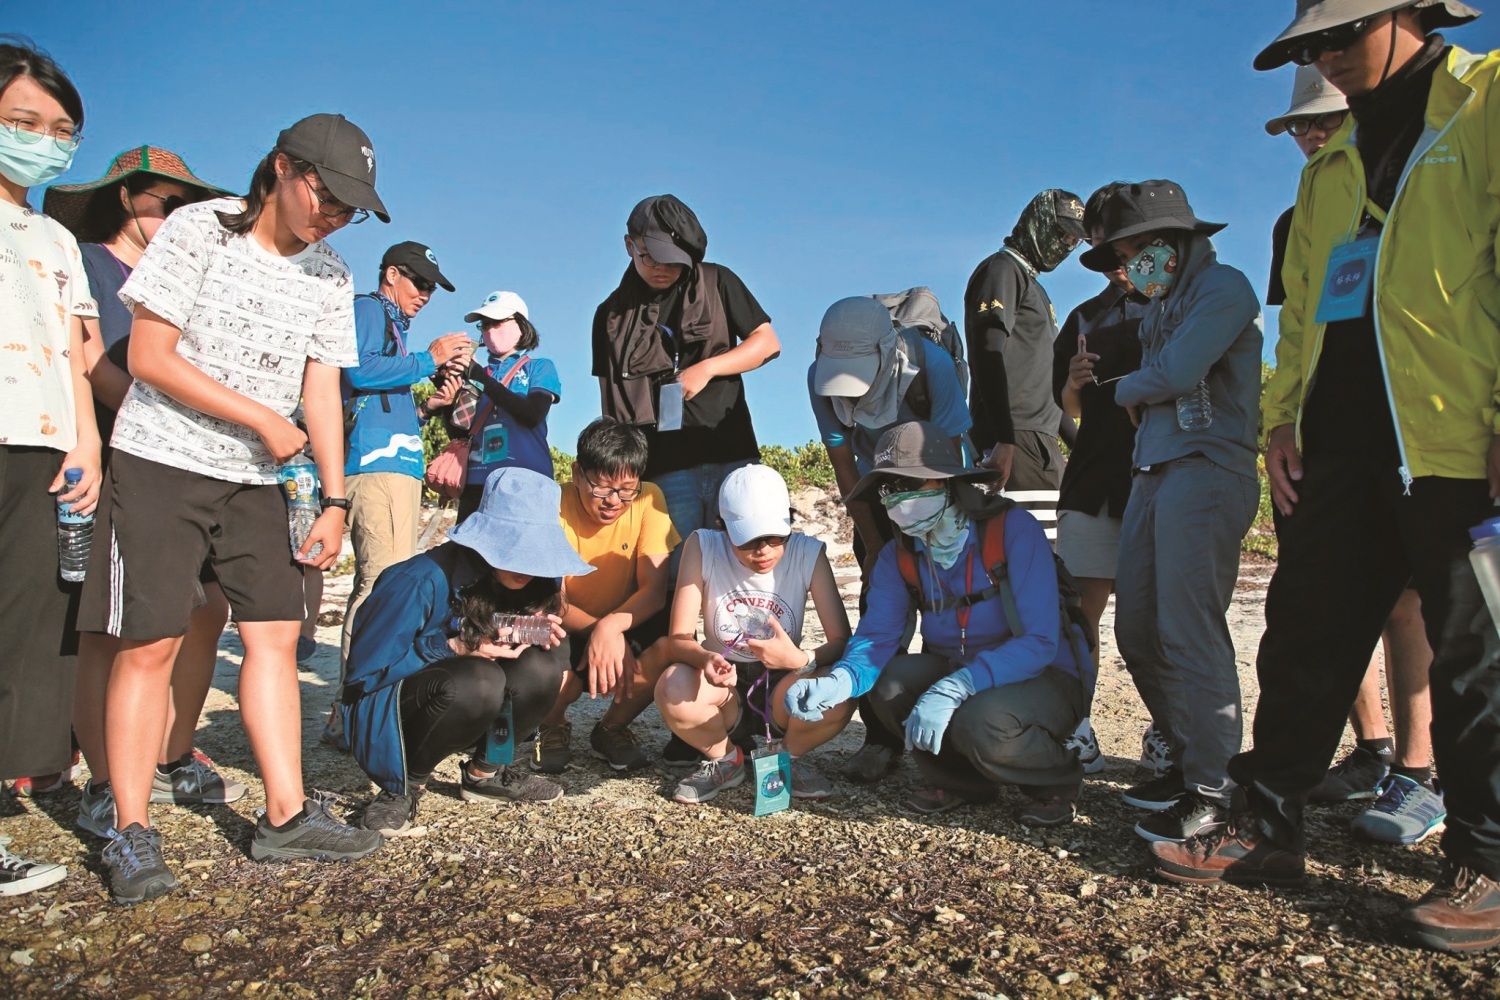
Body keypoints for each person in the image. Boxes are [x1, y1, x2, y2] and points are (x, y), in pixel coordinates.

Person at [1159, 1, 1500, 954]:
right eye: (1309, 47)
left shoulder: (1485, 106)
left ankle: (1485, 859)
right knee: (1305, 636)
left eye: (1340, 36)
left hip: (1455, 444)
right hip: (1340, 448)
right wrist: (1281, 421)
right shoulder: (1327, 169)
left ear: (1408, 13)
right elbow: (1303, 313)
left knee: (1475, 653)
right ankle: (1268, 827)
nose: (1326, 58)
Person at [75, 113, 390, 904]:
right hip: (161, 460)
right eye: (327, 196)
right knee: (150, 641)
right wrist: (260, 418)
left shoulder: (330, 274)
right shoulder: (199, 230)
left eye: (350, 209)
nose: (334, 216)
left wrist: (335, 498)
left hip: (255, 482)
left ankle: (286, 816)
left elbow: (322, 390)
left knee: (275, 636)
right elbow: (149, 357)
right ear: (282, 167)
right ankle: (131, 830)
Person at [43, 145, 244, 837]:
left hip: (192, 468)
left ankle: (170, 750)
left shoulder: (186, 278)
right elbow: (87, 360)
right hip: (116, 455)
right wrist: (162, 419)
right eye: (166, 202)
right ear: (126, 197)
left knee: (207, 607)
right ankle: (105, 780)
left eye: (189, 206)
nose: (177, 215)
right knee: (109, 625)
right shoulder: (88, 264)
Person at [1264, 64, 1439, 838]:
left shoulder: (1424, 172)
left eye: (1323, 120)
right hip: (1329, 436)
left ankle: (1419, 770)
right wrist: (1282, 421)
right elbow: (1296, 324)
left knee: (1410, 604)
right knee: (1330, 600)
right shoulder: (1297, 215)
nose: (1310, 135)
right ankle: (1372, 749)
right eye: (1299, 125)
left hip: (1417, 426)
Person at [1077, 180, 1263, 844]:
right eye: (1121, 257)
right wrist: (1137, 392)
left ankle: (1215, 788)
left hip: (1206, 469)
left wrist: (1124, 388)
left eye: (1133, 251)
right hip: (1152, 473)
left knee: (1189, 629)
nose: (1128, 268)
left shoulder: (1224, 289)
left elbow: (1177, 374)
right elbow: (1159, 383)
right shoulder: (1160, 307)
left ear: (1173, 240)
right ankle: (1189, 764)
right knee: (1139, 630)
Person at [791, 421, 1095, 826]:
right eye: (888, 488)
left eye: (910, 483)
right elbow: (877, 637)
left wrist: (955, 687)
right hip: (960, 667)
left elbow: (1040, 642)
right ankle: (962, 781)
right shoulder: (898, 556)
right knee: (888, 685)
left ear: (948, 481)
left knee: (980, 720)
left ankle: (1056, 780)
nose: (898, 499)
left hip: (1045, 676)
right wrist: (839, 681)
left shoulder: (1012, 529)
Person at [346, 467, 587, 837]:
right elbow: (364, 677)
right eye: (515, 549)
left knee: (542, 667)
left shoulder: (536, 582)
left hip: (467, 698)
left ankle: (485, 775)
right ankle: (403, 786)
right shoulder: (416, 581)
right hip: (401, 702)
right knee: (480, 678)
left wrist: (527, 629)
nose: (527, 565)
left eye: (535, 553)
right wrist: (455, 647)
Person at [0, 38, 100, 897]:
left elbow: (75, 353)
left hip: (38, 445)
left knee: (22, 628)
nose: (43, 141)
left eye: (61, 130)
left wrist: (86, 441)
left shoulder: (57, 239)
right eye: (23, 122)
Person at [808, 295, 973, 783]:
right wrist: (876, 545)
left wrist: (936, 532)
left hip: (938, 491)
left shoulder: (932, 366)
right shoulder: (821, 381)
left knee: (953, 610)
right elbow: (845, 469)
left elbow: (951, 458)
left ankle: (961, 725)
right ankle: (880, 738)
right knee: (878, 613)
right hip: (875, 495)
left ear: (887, 349)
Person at [321, 241, 465, 748]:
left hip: (396, 467)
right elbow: (357, 370)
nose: (425, 294)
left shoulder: (396, 331)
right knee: (378, 587)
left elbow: (379, 400)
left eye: (432, 287)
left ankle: (364, 706)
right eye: (419, 282)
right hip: (374, 467)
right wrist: (429, 359)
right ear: (390, 275)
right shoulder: (368, 309)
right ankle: (351, 712)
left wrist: (428, 407)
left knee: (390, 586)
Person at [593, 195, 781, 573]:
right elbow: (610, 404)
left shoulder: (717, 280)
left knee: (743, 571)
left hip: (731, 453)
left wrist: (708, 368)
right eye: (650, 256)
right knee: (678, 576)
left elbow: (767, 343)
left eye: (673, 259)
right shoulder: (608, 315)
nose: (662, 268)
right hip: (663, 466)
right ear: (629, 245)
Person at [655, 464, 851, 804]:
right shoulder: (703, 546)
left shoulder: (807, 553)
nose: (763, 550)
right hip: (724, 686)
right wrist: (707, 659)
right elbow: (678, 639)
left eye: (775, 537)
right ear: (722, 527)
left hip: (784, 684)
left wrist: (800, 659)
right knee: (673, 686)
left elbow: (841, 641)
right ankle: (725, 759)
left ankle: (787, 755)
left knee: (841, 690)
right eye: (747, 540)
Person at [1049, 182, 1152, 775]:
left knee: (1156, 616)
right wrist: (1073, 385)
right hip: (1093, 478)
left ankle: (1167, 733)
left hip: (1157, 478)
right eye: (1102, 249)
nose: (1116, 261)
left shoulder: (1182, 307)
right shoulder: (1086, 316)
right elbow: (1067, 406)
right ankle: (1076, 725)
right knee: (1080, 613)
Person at [533, 418, 678, 774]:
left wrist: (611, 628)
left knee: (671, 637)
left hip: (624, 622)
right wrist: (601, 631)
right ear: (577, 473)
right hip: (567, 624)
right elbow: (552, 599)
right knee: (548, 662)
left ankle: (611, 728)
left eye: (626, 489)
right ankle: (552, 725)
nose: (614, 501)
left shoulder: (649, 498)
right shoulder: (552, 504)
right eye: (601, 488)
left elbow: (654, 591)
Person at [963, 188, 1088, 538]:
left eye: (1074, 240)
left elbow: (1046, 381)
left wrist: (1082, 449)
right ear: (1038, 222)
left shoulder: (1036, 288)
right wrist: (1005, 440)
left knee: (1052, 554)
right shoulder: (1002, 269)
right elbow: (988, 352)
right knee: (1028, 555)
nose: (1066, 245)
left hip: (1039, 443)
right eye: (1061, 233)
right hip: (1015, 439)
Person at [448, 291, 561, 522]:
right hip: (478, 484)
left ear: (521, 325)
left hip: (526, 481)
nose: (490, 330)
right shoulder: (476, 375)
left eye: (497, 322)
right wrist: (447, 395)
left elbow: (532, 415)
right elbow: (459, 432)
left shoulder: (539, 367)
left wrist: (480, 378)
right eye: (485, 324)